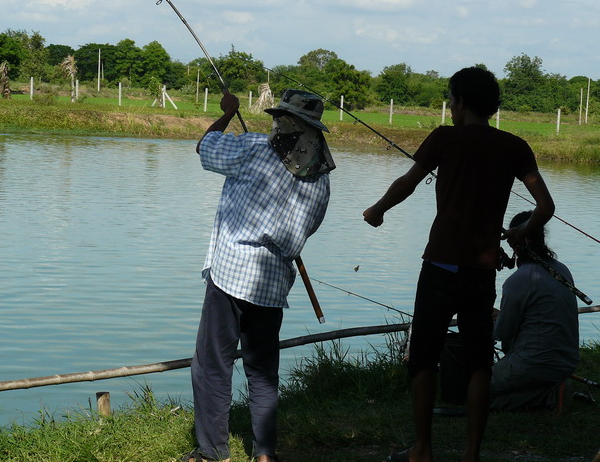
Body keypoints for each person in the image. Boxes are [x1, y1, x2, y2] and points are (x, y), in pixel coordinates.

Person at [362, 66, 555, 462]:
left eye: (451, 98)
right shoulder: (515, 146)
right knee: (479, 361)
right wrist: (520, 234)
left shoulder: (445, 138)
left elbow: (409, 182)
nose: (450, 106)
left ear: (461, 101)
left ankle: (423, 450)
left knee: (423, 360)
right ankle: (471, 454)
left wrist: (378, 209)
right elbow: (545, 207)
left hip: (440, 268)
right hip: (482, 273)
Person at [187, 89, 335, 462]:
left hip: (230, 273)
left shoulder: (253, 148)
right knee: (263, 371)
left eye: (279, 119)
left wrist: (228, 113)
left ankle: (212, 453)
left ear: (287, 122)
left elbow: (205, 147)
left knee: (212, 364)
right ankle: (265, 454)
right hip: (273, 282)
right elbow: (308, 230)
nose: (275, 124)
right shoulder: (322, 178)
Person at [491, 211, 579, 411]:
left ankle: (546, 396)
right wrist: (502, 316)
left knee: (474, 392)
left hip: (533, 364)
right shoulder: (561, 269)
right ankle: (550, 389)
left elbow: (502, 333)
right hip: (566, 362)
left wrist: (489, 320)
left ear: (516, 242)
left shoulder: (518, 280)